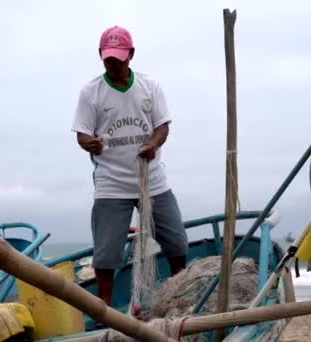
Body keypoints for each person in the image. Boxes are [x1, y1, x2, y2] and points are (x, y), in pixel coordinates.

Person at [71, 25, 188, 306]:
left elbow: (162, 127)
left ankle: (181, 297)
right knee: (106, 254)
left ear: (131, 55)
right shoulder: (91, 92)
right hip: (112, 184)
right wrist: (91, 143)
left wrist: (154, 145)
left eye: (118, 58)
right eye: (107, 58)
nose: (113, 63)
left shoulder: (150, 86)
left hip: (153, 181)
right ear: (100, 55)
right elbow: (82, 134)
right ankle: (106, 309)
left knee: (177, 242)